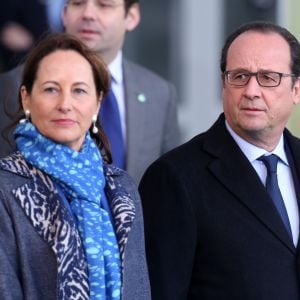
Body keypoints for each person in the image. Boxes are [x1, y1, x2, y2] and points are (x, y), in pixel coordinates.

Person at [139, 21, 300, 299]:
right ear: (223, 85)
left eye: (268, 77)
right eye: (239, 76)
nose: (251, 91)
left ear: (296, 90)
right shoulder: (173, 178)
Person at [0, 33, 150, 300]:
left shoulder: (122, 187)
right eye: (51, 89)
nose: (65, 105)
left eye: (79, 90)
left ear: (97, 102)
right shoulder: (5, 185)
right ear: (26, 99)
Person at [0, 0, 180, 184]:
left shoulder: (160, 93)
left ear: (131, 16)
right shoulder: (14, 84)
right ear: (64, 13)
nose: (88, 14)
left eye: (104, 5)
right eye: (78, 3)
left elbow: (168, 184)